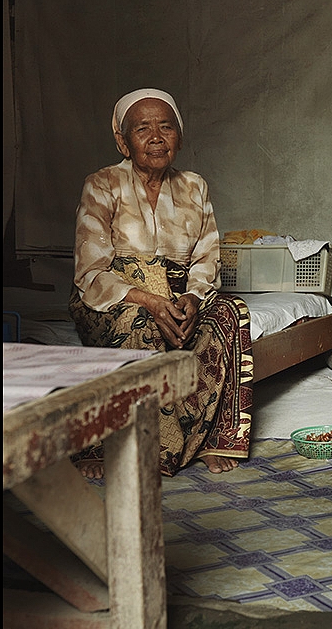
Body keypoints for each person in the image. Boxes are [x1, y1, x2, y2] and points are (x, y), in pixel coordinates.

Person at [69, 88, 253, 478]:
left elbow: (207, 258)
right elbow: (90, 271)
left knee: (230, 314)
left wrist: (190, 297)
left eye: (166, 126)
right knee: (143, 324)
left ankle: (208, 440)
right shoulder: (102, 184)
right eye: (142, 129)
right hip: (113, 296)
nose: (156, 136)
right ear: (122, 141)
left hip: (177, 296)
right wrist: (150, 301)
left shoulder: (194, 186)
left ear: (179, 137)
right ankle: (113, 446)